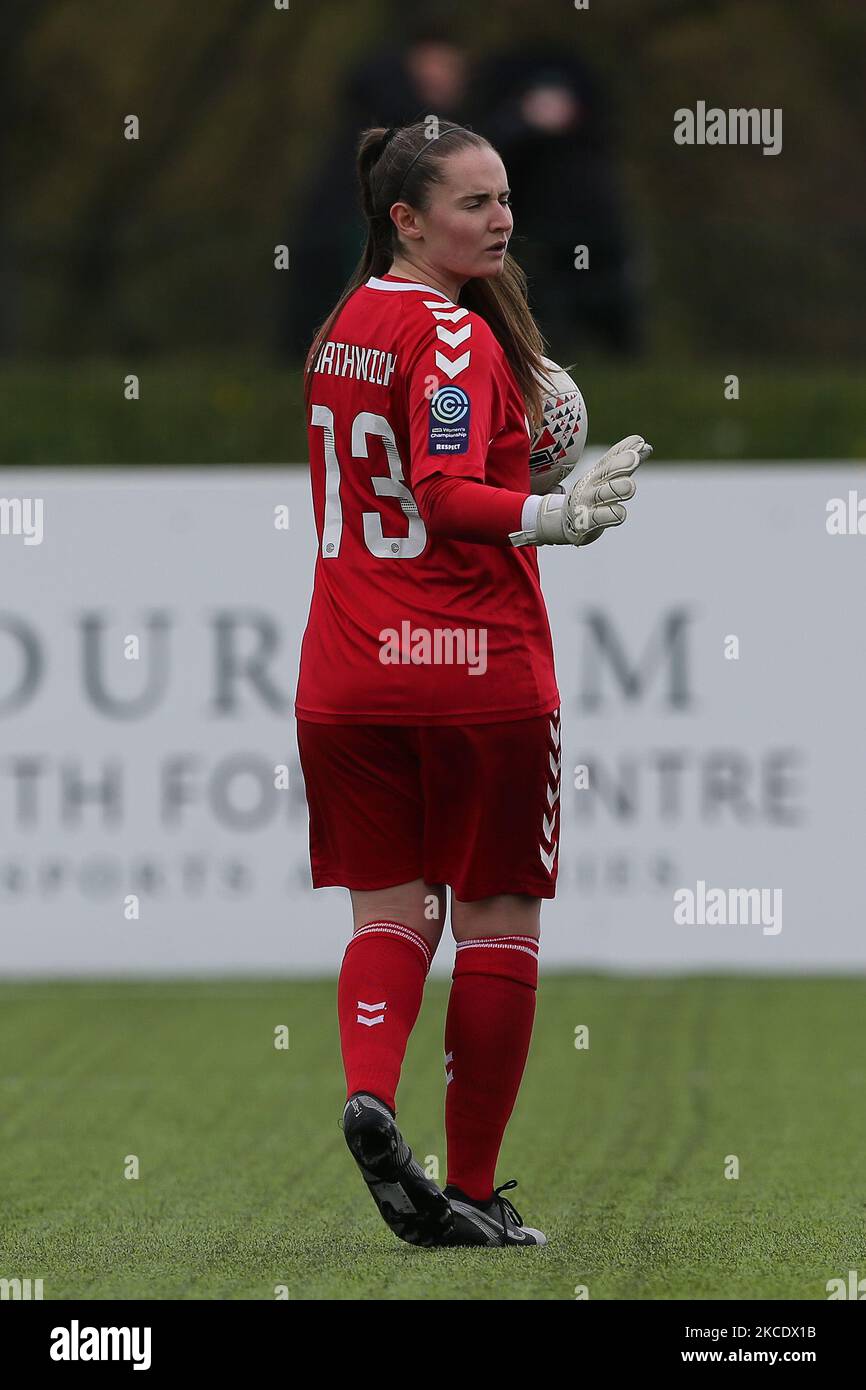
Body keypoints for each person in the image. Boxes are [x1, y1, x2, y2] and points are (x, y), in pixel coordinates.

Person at [294, 119, 650, 1248]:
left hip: (348, 672)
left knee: (391, 908)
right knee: (498, 920)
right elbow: (447, 492)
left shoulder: (343, 324)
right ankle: (476, 1193)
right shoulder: (451, 338)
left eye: (504, 198)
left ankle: (367, 1093)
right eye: (471, 203)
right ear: (404, 218)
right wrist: (558, 509)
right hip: (472, 667)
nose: (500, 218)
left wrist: (519, 433)